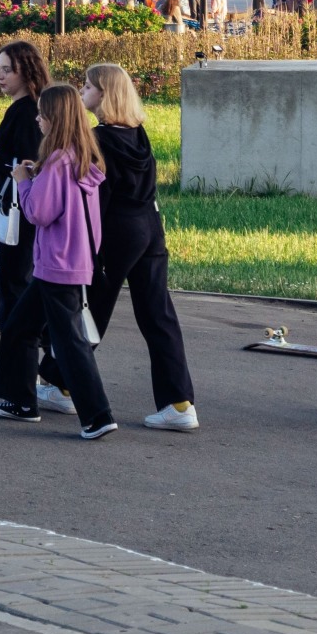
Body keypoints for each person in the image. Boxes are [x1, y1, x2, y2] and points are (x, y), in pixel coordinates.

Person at [0, 84, 117, 440]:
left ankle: (97, 415)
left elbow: (38, 213)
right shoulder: (81, 155)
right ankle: (21, 401)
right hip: (72, 260)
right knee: (20, 327)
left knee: (68, 341)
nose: (37, 119)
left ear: (54, 118)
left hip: (56, 262)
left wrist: (24, 181)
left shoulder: (59, 160)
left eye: (42, 114)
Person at [81, 63, 196, 430]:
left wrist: (89, 244)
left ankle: (61, 382)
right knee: (157, 314)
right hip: (150, 225)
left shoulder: (97, 139)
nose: (81, 90)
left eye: (87, 85)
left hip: (117, 229)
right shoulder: (137, 133)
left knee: (92, 306)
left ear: (104, 93)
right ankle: (179, 403)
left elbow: (97, 197)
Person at [0, 41, 63, 397]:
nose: (0, 76)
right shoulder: (27, 109)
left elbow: (29, 166)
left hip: (24, 214)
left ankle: (26, 374)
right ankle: (33, 371)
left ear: (26, 70)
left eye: (7, 69)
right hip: (18, 210)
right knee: (21, 292)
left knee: (18, 294)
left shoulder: (29, 111)